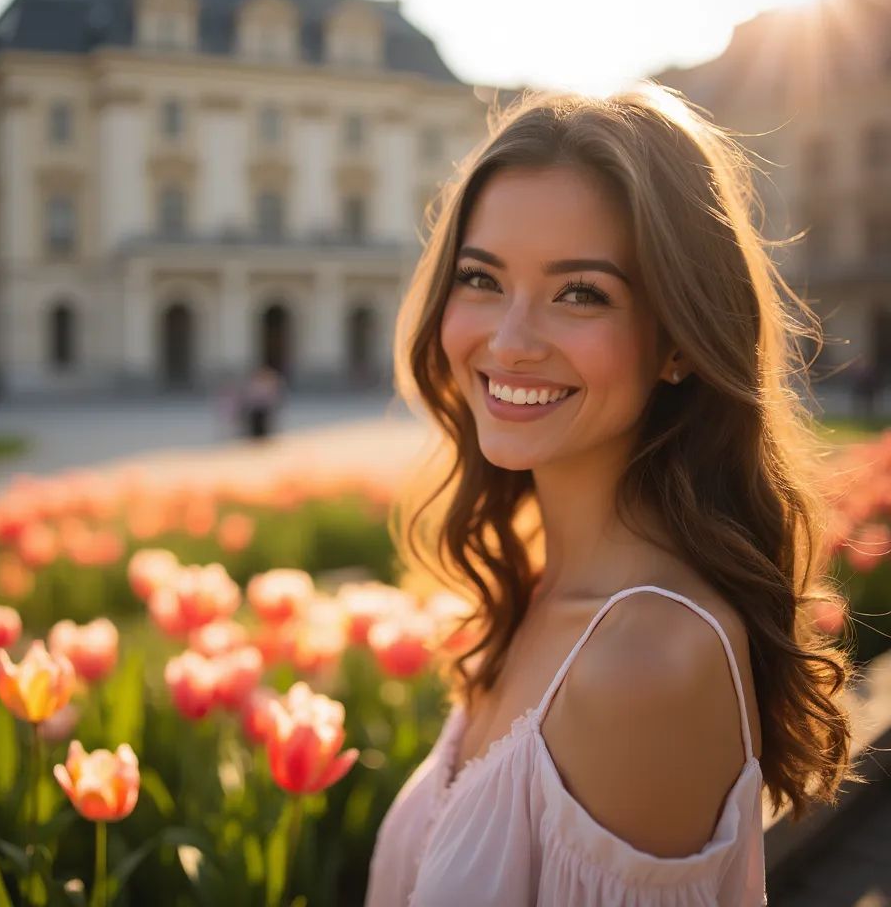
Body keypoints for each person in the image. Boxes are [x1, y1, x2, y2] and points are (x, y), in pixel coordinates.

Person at [365, 85, 861, 906]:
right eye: (481, 277)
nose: (510, 341)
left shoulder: (647, 659)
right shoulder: (536, 581)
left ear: (678, 342)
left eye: (580, 292)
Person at [241, 365, 284, 440]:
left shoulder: (269, 382)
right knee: (256, 426)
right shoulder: (256, 382)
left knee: (263, 425)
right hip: (256, 409)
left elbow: (273, 396)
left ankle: (261, 438)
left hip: (263, 409)